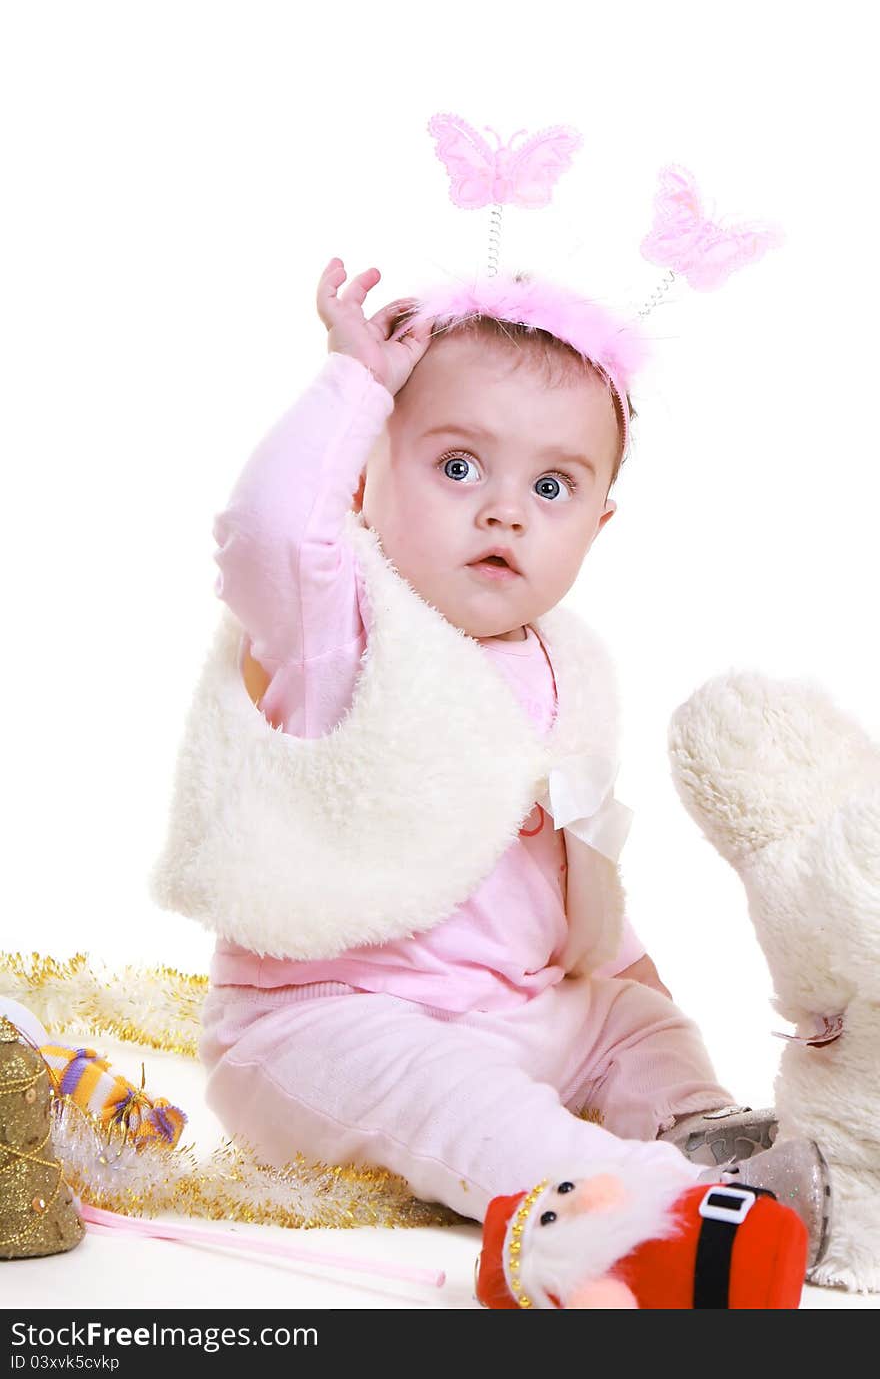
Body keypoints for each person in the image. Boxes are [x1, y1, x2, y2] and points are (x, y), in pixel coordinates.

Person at [176, 258, 826, 1260]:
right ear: (361, 477)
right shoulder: (338, 627)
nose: (504, 510)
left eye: (552, 485)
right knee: (456, 1101)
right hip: (328, 1028)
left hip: (517, 1008)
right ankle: (658, 1208)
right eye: (457, 466)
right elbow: (263, 531)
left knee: (632, 1024)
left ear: (597, 522)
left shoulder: (569, 665)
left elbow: (573, 878)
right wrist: (351, 380)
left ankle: (711, 1136)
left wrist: (635, 989)